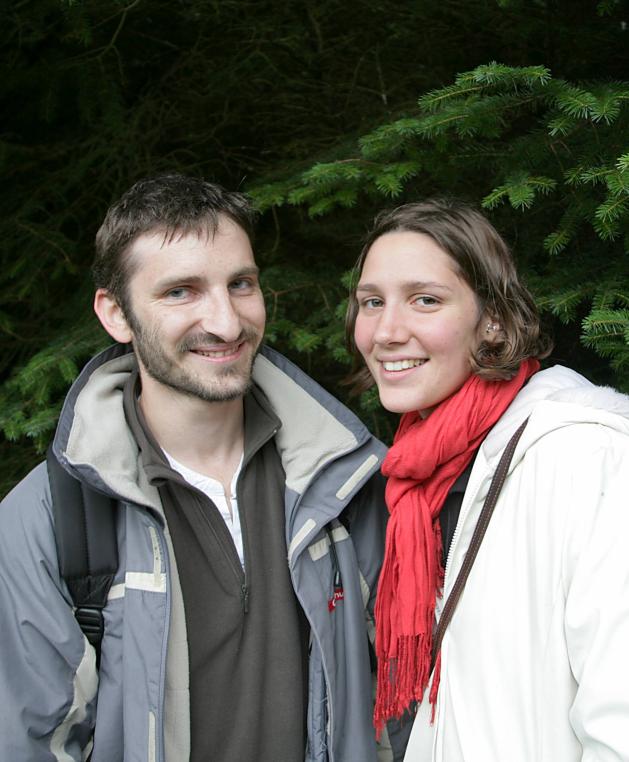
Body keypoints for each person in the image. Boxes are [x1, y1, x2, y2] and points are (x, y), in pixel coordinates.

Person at [0, 174, 389, 762]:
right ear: (116, 313)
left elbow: (407, 707)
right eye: (181, 291)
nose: (227, 323)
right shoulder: (50, 519)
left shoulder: (344, 480)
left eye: (241, 284)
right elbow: (32, 744)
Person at [345, 198, 629, 762]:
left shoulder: (585, 456)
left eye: (425, 300)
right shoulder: (410, 481)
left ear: (493, 319)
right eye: (372, 302)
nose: (385, 331)